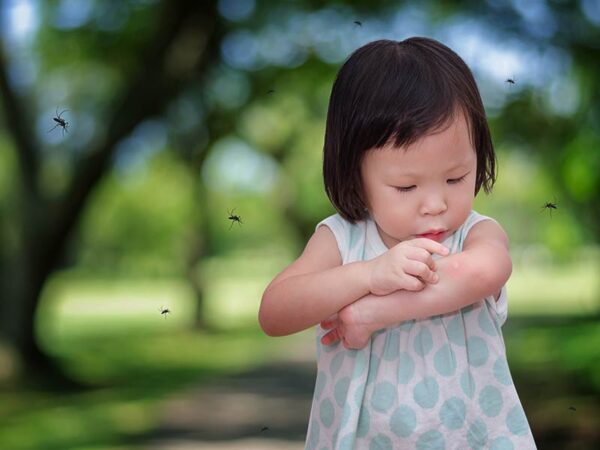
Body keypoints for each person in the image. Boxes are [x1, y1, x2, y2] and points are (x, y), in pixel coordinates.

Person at [259, 37, 536, 450]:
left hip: (471, 439)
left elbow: (486, 271)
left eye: (456, 178)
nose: (436, 204)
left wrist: (375, 313)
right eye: (406, 186)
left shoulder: (474, 233)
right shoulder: (342, 239)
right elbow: (274, 312)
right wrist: (369, 274)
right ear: (355, 175)